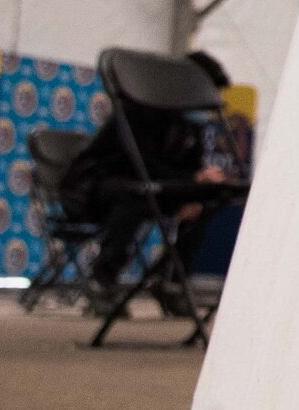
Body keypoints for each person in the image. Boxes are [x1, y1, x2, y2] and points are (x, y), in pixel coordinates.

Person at [64, 50, 247, 316]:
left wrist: (194, 189)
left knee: (203, 203)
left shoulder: (188, 124)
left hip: (152, 187)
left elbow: (187, 169)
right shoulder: (138, 110)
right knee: (135, 196)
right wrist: (190, 181)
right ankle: (102, 279)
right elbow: (138, 165)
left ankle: (172, 282)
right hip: (95, 189)